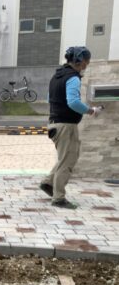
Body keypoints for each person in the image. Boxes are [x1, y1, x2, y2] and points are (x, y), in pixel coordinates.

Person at [39, 46, 102, 209]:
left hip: (55, 123)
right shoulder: (73, 78)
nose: (87, 64)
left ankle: (48, 182)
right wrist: (91, 111)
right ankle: (58, 198)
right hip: (66, 126)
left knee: (65, 158)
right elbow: (73, 102)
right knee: (68, 161)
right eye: (87, 61)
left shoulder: (56, 76)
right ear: (80, 61)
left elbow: (50, 98)